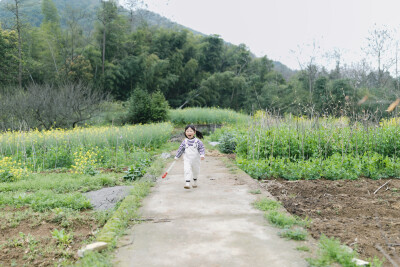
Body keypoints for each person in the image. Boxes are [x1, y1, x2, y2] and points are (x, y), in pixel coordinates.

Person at [174, 125, 205, 189]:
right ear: (185, 133)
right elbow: (180, 150)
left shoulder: (198, 142)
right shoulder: (184, 142)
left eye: (191, 131)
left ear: (194, 132)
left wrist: (202, 155)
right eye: (187, 131)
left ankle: (195, 181)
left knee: (196, 171)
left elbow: (201, 148)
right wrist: (177, 156)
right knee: (187, 170)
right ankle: (187, 183)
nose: (189, 132)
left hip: (196, 160)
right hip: (187, 159)